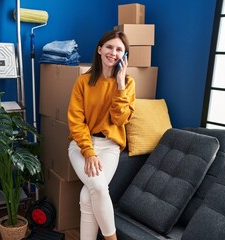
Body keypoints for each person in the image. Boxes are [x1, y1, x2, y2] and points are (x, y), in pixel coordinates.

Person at [67, 29, 136, 240]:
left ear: (124, 56)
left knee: (88, 194)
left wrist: (120, 86)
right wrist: (88, 152)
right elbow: (76, 122)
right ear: (99, 49)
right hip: (81, 145)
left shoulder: (128, 83)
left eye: (119, 50)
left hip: (109, 146)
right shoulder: (83, 82)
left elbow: (120, 120)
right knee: (96, 185)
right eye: (109, 47)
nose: (113, 53)